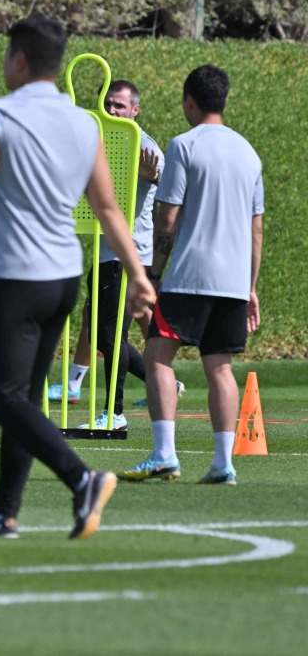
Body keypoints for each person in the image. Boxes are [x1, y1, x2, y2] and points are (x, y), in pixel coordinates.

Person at [0, 15, 155, 540]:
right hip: (65, 279)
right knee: (26, 396)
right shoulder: (85, 123)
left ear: (18, 59)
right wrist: (138, 275)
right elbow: (109, 209)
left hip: (15, 276)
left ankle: (81, 478)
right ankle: (3, 512)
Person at [121, 66, 263, 486]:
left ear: (189, 101)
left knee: (157, 355)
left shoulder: (184, 146)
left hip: (189, 274)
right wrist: (250, 286)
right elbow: (257, 228)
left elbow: (167, 217)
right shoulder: (248, 152)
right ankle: (223, 463)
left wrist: (154, 273)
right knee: (219, 366)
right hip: (234, 280)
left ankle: (165, 453)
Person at [45, 80, 175, 429]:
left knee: (109, 335)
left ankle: (115, 413)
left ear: (135, 110)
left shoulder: (144, 147)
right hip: (104, 252)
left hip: (130, 254)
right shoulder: (99, 142)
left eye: (120, 105)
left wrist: (153, 175)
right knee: (102, 333)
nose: (113, 111)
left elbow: (170, 193)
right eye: (109, 105)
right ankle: (161, 381)